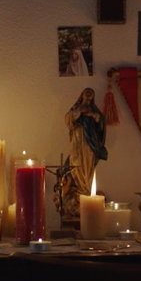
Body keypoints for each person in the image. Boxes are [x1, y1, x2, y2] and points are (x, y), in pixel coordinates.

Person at [53, 88, 108, 220]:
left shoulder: (95, 111)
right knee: (75, 163)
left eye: (91, 95)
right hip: (78, 141)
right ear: (82, 95)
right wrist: (80, 112)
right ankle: (78, 190)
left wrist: (95, 117)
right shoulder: (77, 108)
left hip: (90, 145)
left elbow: (101, 126)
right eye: (86, 94)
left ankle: (85, 189)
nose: (88, 97)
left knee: (87, 165)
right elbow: (68, 120)